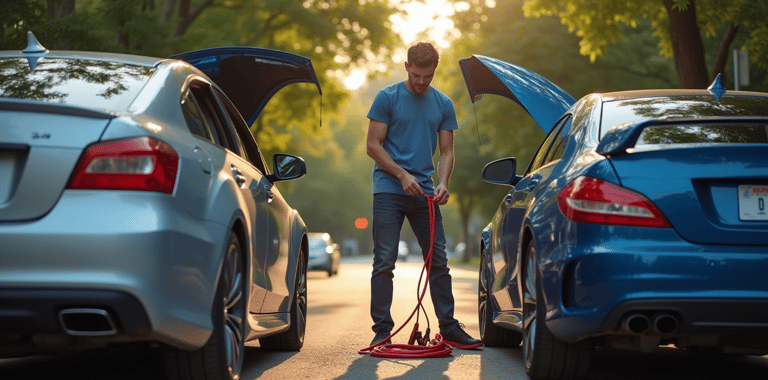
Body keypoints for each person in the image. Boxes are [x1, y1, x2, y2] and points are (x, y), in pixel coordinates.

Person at [365, 41, 482, 347]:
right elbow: (372, 145)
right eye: (416, 75)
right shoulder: (386, 98)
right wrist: (401, 174)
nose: (420, 82)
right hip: (389, 189)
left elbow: (446, 152)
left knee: (439, 262)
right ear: (407, 67)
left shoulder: (443, 104)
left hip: (425, 194)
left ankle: (450, 327)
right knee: (385, 261)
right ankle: (382, 332)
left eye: (426, 76)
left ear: (433, 71)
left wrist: (443, 183)